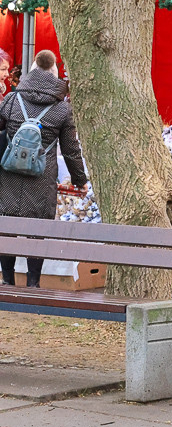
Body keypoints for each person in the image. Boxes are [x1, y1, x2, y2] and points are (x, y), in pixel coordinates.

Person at [0, 50, 87, 287]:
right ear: (54, 72)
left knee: (6, 226)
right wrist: (79, 180)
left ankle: (7, 281)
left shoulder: (11, 100)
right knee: (37, 230)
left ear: (31, 71)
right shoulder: (62, 109)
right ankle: (33, 283)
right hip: (41, 177)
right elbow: (71, 150)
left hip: (8, 174)